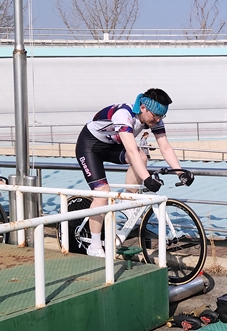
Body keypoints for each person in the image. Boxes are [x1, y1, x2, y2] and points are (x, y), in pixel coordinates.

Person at [75, 88, 191, 258]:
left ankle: (128, 200)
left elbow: (165, 147)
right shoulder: (124, 115)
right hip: (89, 147)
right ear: (143, 108)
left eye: (162, 116)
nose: (158, 120)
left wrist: (180, 172)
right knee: (102, 193)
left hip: (111, 146)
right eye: (155, 116)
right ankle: (94, 245)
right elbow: (130, 150)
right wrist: (147, 178)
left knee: (142, 157)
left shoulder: (154, 119)